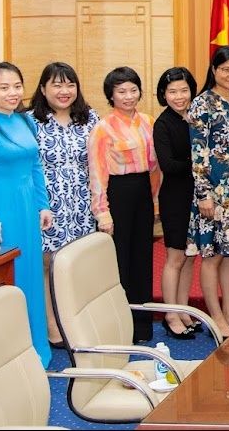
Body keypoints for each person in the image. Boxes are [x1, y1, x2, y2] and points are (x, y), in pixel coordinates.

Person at [0, 62, 54, 367]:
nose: (12, 93)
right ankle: (5, 358)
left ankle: (34, 347)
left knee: (30, 274)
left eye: (17, 86)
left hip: (27, 209)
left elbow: (35, 166)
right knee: (6, 280)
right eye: (4, 87)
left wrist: (43, 205)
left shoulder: (25, 121)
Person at [29, 61, 99, 348]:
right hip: (48, 204)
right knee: (48, 263)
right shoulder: (30, 121)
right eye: (57, 85)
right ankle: (51, 325)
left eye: (70, 85)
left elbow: (99, 163)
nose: (64, 91)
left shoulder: (89, 118)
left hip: (81, 202)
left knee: (77, 262)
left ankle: (75, 320)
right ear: (43, 89)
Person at [89, 66, 159, 343]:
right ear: (111, 95)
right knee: (119, 261)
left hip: (143, 194)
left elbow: (155, 167)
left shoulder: (148, 122)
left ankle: (141, 327)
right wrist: (102, 213)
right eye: (121, 91)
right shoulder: (102, 128)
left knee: (143, 258)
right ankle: (118, 328)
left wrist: (154, 201)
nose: (128, 96)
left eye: (133, 90)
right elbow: (97, 174)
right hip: (118, 194)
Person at [189, 45, 229, 339]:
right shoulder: (202, 104)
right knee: (212, 255)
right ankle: (216, 316)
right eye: (226, 69)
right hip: (212, 190)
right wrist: (204, 194)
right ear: (214, 70)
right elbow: (198, 152)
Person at [153, 66, 201, 339]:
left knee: (190, 256)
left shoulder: (196, 116)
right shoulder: (163, 124)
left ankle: (183, 310)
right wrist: (200, 163)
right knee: (175, 257)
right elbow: (168, 165)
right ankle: (170, 315)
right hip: (175, 197)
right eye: (172, 91)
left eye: (184, 90)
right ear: (164, 94)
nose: (179, 96)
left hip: (197, 195)